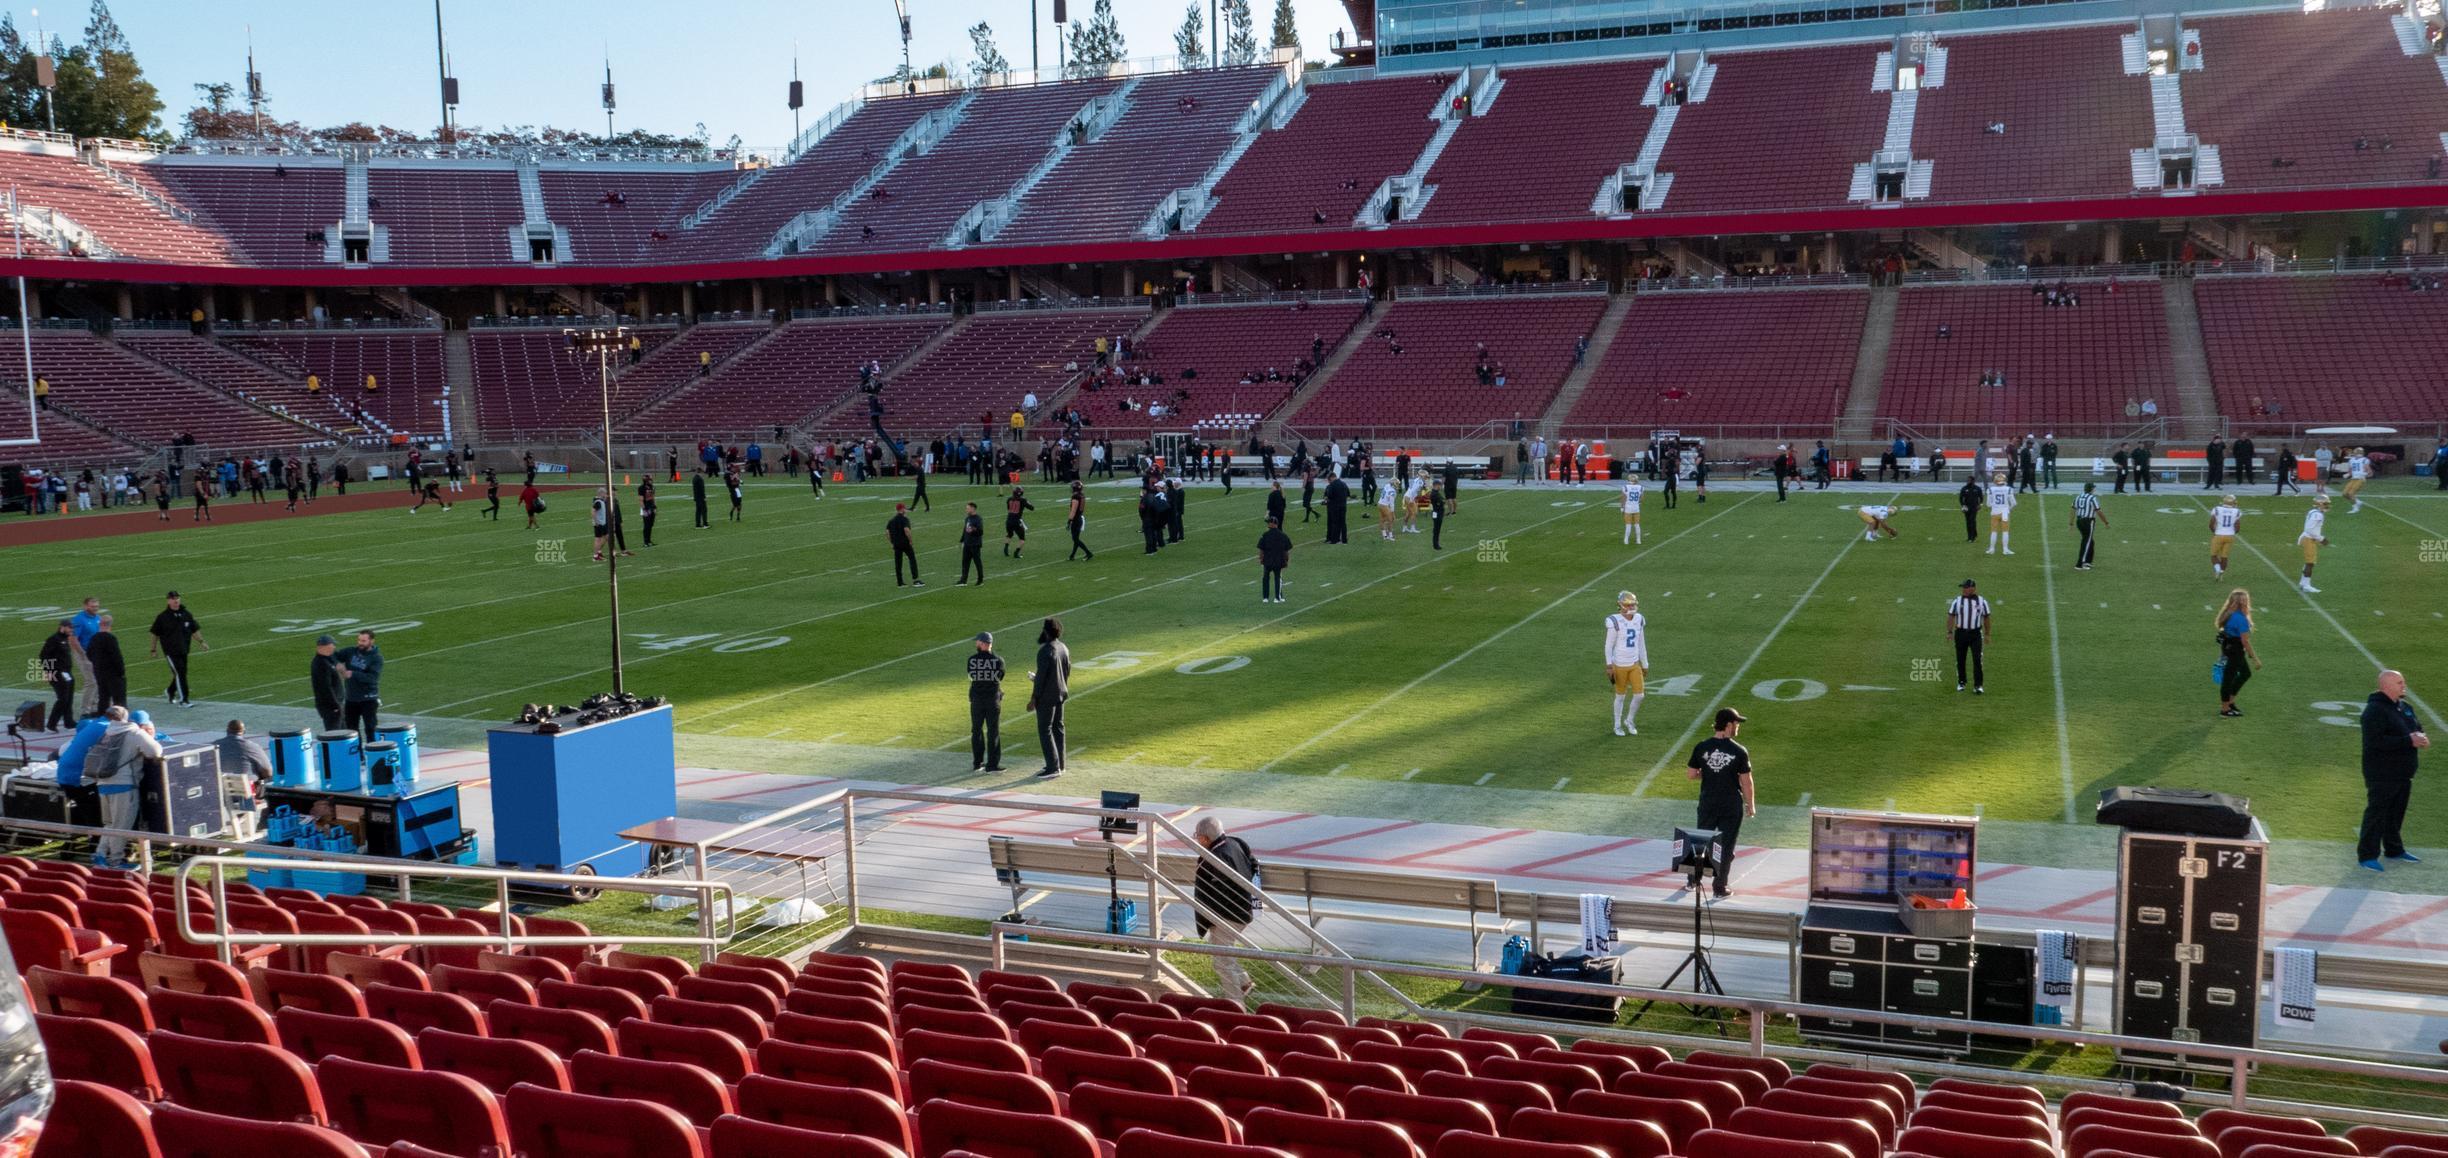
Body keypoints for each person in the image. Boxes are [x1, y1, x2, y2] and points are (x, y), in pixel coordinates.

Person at [2357, 669, 2430, 871]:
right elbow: (2375, 741)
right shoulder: (2374, 711)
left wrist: (2421, 738)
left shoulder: (2405, 707)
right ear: (2385, 686)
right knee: (2377, 813)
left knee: (2396, 813)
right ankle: (2367, 855)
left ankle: (2394, 849)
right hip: (2382, 772)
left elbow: (2417, 728)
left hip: (2403, 772)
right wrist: (2409, 740)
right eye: (2399, 682)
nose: (2403, 685)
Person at [1684, 708, 1755, 899]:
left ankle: (1692, 880)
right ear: (1729, 724)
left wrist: (1709, 774)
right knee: (1726, 847)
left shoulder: (1701, 746)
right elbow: (1746, 782)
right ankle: (1719, 887)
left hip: (1708, 802)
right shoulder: (1739, 751)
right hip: (1730, 805)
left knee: (1701, 842)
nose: (1738, 727)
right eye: (1737, 723)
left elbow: (1691, 774)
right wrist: (1751, 805)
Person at [1193, 815, 1263, 998]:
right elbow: (1253, 863)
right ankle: (1243, 982)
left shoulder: (1213, 858)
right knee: (1222, 950)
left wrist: (1208, 922)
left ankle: (1235, 1002)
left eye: (1197, 837)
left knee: (1221, 962)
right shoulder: (1235, 843)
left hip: (1228, 916)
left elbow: (1210, 895)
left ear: (1204, 838)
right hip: (1243, 909)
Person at [85, 706, 158, 869]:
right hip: (124, 785)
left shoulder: (108, 731)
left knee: (110, 824)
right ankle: (116, 861)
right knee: (121, 826)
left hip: (103, 783)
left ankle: (100, 855)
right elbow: (155, 751)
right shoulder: (134, 733)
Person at [1027, 618, 1070, 779]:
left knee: (1045, 730)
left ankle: (1052, 767)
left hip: (1047, 696)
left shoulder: (1045, 651)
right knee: (1058, 728)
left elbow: (1042, 679)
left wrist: (1034, 698)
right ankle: (1060, 764)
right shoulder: (1063, 648)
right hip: (1061, 693)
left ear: (1046, 632)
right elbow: (1067, 671)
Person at [1604, 591, 1649, 737]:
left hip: (1634, 663)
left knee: (1640, 695)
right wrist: (1609, 665)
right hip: (1619, 665)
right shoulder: (1614, 621)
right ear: (1621, 606)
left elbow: (1641, 642)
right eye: (1628, 604)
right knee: (1620, 696)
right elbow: (1608, 645)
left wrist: (1645, 663)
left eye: (1633, 604)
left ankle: (1629, 720)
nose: (1631, 607)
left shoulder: (1639, 619)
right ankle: (1617, 725)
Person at [149, 590, 205, 706]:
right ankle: (184, 700)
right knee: (180, 673)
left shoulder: (186, 614)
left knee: (181, 673)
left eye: (177, 598)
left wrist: (201, 642)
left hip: (184, 649)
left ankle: (170, 691)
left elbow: (194, 630)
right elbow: (155, 633)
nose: (176, 600)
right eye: (173, 598)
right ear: (168, 601)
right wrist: (153, 649)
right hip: (170, 651)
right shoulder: (162, 617)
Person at [2214, 588, 2260, 718]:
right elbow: (2245, 641)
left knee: (2245, 673)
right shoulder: (2240, 619)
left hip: (2228, 647)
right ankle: (2225, 709)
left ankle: (2230, 702)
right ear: (2243, 603)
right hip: (2235, 650)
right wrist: (2255, 658)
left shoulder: (2228, 613)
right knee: (2229, 678)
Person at [966, 632, 1006, 773]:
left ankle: (978, 763)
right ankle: (992, 765)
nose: (976, 644)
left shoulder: (971, 660)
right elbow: (1000, 677)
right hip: (992, 700)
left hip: (976, 700)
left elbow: (972, 676)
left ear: (983, 643)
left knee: (976, 730)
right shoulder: (998, 660)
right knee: (993, 731)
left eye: (977, 642)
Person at [1948, 578, 1992, 694]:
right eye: (1963, 587)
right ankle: (1961, 682)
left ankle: (1978, 685)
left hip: (1975, 634)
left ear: (1973, 588)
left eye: (1965, 587)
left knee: (1977, 659)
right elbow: (1951, 615)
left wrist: (1987, 634)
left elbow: (1986, 617)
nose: (1963, 589)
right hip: (1961, 633)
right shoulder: (1957, 601)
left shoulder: (1982, 601)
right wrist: (1950, 632)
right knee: (1960, 659)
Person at [338, 629, 384, 740]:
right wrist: (339, 665)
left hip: (368, 699)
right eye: (359, 640)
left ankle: (373, 753)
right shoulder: (350, 651)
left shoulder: (376, 658)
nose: (360, 643)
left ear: (371, 641)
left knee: (370, 728)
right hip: (351, 698)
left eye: (363, 641)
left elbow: (372, 678)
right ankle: (356, 755)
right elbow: (333, 656)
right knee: (351, 729)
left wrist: (353, 674)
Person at [37, 620, 77, 730]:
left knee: (69, 698)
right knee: (63, 699)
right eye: (69, 628)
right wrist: (48, 671)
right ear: (62, 627)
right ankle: (52, 723)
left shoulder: (64, 639)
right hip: (57, 673)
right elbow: (43, 656)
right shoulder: (54, 639)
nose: (71, 630)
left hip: (67, 673)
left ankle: (68, 721)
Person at [214, 719, 273, 788]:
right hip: (247, 790)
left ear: (227, 730)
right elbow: (268, 772)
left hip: (220, 789)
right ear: (244, 731)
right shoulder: (252, 747)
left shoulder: (213, 747)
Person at [69, 597, 103, 715]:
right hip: (82, 652)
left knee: (98, 679)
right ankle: (85, 710)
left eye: (97, 606)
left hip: (95, 653)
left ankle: (94, 707)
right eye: (92, 606)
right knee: (91, 681)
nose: (95, 609)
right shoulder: (79, 620)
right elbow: (73, 639)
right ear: (85, 606)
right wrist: (83, 655)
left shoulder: (98, 618)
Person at [87, 615, 127, 713]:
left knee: (103, 697)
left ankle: (102, 718)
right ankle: (119, 719)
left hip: (99, 672)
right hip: (113, 673)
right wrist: (121, 671)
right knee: (119, 699)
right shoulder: (111, 638)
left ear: (100, 624)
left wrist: (96, 664)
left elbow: (89, 653)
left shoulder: (94, 638)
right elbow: (117, 657)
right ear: (110, 625)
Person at [310, 634, 347, 732]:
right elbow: (325, 688)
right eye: (332, 645)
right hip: (331, 707)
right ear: (324, 646)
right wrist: (335, 705)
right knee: (335, 734)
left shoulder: (326, 660)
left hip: (336, 705)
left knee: (343, 732)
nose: (334, 647)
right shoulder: (321, 664)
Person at [2298, 496, 2331, 593]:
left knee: (2309, 562)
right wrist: (2321, 539)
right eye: (2325, 504)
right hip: (2309, 539)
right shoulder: (2318, 515)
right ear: (2320, 504)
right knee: (2310, 563)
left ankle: (2303, 583)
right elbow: (2310, 529)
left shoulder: (2313, 512)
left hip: (2308, 538)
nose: (2327, 506)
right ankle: (2306, 585)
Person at [2208, 494, 2244, 578]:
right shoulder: (2237, 511)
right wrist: (2232, 533)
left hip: (2218, 535)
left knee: (2213, 556)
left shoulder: (2216, 509)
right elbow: (2238, 527)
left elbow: (2211, 524)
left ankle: (2217, 569)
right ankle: (2221, 574)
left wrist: (2214, 531)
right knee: (2224, 556)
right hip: (2230, 536)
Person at [888, 503, 923, 587]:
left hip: (896, 544)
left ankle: (900, 582)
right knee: (912, 559)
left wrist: (891, 542)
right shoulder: (904, 519)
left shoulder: (892, 520)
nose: (905, 510)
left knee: (898, 563)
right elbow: (906, 530)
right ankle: (916, 580)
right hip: (905, 543)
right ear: (902, 509)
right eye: (904, 509)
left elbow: (887, 532)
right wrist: (910, 540)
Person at [2072, 483, 2105, 570]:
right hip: (2088, 521)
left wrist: (2071, 523)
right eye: (2093, 488)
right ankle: (2080, 564)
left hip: (2079, 521)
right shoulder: (2092, 498)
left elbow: (2073, 509)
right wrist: (2106, 522)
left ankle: (2087, 561)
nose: (2094, 489)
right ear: (2091, 489)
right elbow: (2098, 511)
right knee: (2086, 542)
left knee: (2090, 541)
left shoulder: (2078, 497)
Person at [1984, 472, 2016, 555]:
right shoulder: (2008, 489)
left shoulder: (1991, 489)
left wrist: (1995, 506)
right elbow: (2014, 503)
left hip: (1994, 512)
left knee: (1993, 531)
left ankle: (1992, 549)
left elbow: (1988, 504)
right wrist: (2008, 508)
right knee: (2005, 531)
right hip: (2005, 512)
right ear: (2004, 481)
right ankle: (2005, 549)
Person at [958, 502, 987, 586]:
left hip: (975, 544)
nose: (966, 509)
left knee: (977, 562)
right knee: (965, 563)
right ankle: (963, 580)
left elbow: (980, 532)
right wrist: (961, 540)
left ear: (973, 508)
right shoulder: (967, 518)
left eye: (967, 508)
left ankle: (980, 580)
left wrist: (973, 530)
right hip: (967, 544)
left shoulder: (978, 519)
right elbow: (965, 530)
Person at [1004, 487, 1034, 557]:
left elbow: (1008, 508)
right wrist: (1028, 502)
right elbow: (1032, 508)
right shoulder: (1023, 500)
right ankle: (1016, 553)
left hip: (1008, 520)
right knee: (1022, 539)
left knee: (1009, 534)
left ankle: (1005, 549)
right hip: (1017, 521)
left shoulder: (1009, 499)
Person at [1066, 483, 1093, 562]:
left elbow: (1073, 510)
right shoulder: (1082, 495)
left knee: (1075, 539)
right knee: (1076, 538)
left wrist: (1069, 521)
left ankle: (1088, 553)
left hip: (1076, 519)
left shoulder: (1075, 497)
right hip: (1080, 518)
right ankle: (1072, 556)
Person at [1324, 472, 1349, 544]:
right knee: (1343, 523)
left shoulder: (1332, 485)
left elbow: (1329, 496)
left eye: (1329, 480)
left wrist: (1326, 501)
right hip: (1343, 505)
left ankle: (1334, 540)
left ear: (1331, 477)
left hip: (1334, 506)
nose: (1329, 481)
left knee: (1335, 523)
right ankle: (1344, 539)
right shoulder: (1344, 483)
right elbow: (1347, 493)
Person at [2344, 446, 2371, 513]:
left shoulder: (2365, 460)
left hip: (2360, 479)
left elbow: (2370, 472)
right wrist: (2347, 474)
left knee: (2350, 493)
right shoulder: (2351, 460)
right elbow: (2350, 471)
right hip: (2353, 479)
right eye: (2357, 451)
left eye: (2359, 452)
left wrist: (2364, 474)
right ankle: (2358, 502)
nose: (2358, 453)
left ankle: (2355, 508)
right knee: (2344, 494)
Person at [1957, 476, 1981, 543]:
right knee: (1968, 522)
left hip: (1974, 507)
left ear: (1973, 481)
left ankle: (1972, 538)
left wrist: (1980, 505)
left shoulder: (1977, 488)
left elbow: (1981, 498)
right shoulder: (1964, 488)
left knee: (1972, 521)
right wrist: (1963, 505)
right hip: (1967, 508)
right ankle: (1969, 537)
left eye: (1969, 480)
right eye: (1967, 480)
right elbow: (1960, 498)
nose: (1968, 481)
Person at [637, 479, 657, 547]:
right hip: (646, 508)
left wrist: (654, 507)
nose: (651, 481)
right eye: (650, 480)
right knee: (646, 525)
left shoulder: (652, 487)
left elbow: (653, 497)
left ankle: (649, 540)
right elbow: (641, 500)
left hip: (651, 508)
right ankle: (645, 542)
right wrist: (644, 509)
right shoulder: (641, 488)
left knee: (650, 525)